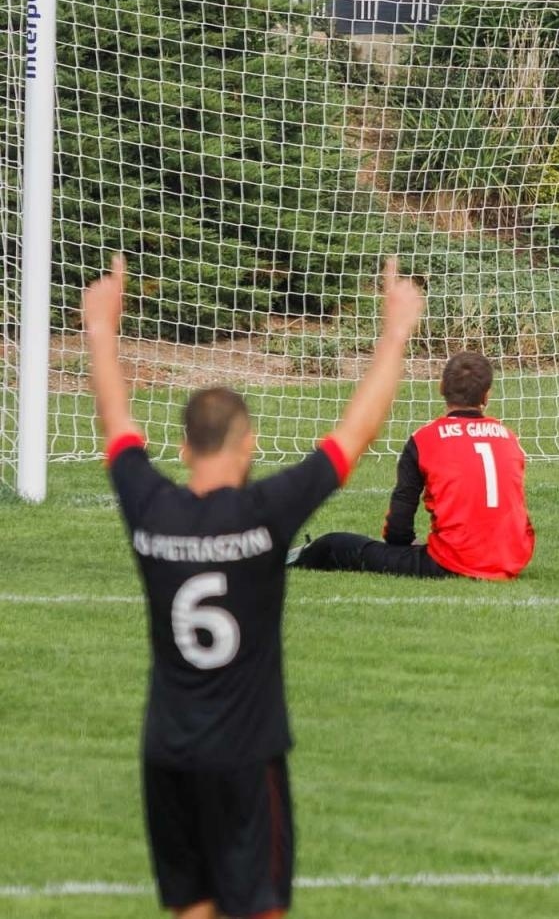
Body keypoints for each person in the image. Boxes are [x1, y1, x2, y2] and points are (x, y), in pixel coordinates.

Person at [87, 255, 424, 919]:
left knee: (195, 907)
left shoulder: (149, 508)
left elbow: (118, 427)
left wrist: (102, 329)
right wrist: (395, 333)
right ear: (249, 447)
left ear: (183, 449)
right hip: (244, 755)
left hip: (167, 752)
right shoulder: (266, 515)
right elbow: (354, 435)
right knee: (258, 907)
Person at [289, 351, 534, 580]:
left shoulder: (425, 439)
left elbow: (399, 521)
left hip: (455, 562)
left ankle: (285, 558)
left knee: (336, 544)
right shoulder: (508, 437)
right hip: (512, 557)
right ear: (486, 395)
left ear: (441, 387)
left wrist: (403, 545)